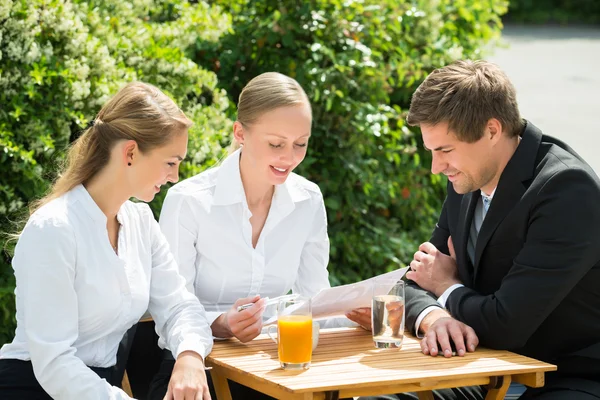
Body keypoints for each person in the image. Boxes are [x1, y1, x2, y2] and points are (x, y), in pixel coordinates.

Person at [360, 60, 600, 400]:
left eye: (444, 150)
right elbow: (411, 283)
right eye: (431, 151)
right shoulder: (469, 177)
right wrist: (434, 317)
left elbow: (507, 326)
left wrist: (447, 286)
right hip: (484, 368)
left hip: (567, 377)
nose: (436, 167)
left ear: (491, 130)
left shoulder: (565, 190)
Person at [136, 71, 353, 400]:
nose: (289, 157)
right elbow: (168, 309)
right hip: (197, 369)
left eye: (300, 144)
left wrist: (354, 314)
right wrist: (221, 323)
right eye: (276, 144)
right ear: (240, 133)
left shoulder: (308, 200)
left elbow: (314, 300)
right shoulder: (189, 201)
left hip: (276, 371)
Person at [0, 82, 214, 400]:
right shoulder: (54, 229)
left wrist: (190, 356)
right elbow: (55, 364)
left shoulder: (142, 224)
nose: (175, 177)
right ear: (129, 153)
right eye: (171, 162)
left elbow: (180, 306)